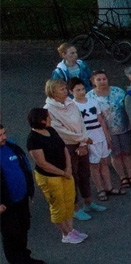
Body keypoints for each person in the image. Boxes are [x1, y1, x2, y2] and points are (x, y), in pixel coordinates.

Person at [26, 108, 86, 243]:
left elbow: (63, 148)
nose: (50, 119)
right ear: (41, 120)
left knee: (69, 201)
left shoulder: (51, 130)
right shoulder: (33, 140)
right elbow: (42, 163)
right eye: (48, 117)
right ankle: (65, 233)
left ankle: (71, 230)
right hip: (49, 177)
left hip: (65, 172)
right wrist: (63, 173)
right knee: (57, 205)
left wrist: (68, 167)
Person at [43, 78, 96, 219]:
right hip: (66, 146)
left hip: (81, 143)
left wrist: (83, 143)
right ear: (52, 92)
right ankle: (75, 208)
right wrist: (82, 139)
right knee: (72, 177)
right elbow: (60, 131)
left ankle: (88, 202)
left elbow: (81, 122)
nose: (66, 91)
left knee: (85, 173)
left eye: (65, 88)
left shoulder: (71, 102)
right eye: (62, 89)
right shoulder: (48, 110)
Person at [0, 123, 45, 264]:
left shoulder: (12, 147)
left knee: (23, 228)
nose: (4, 137)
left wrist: (29, 192)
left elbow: (25, 167)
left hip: (21, 198)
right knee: (11, 234)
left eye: (4, 133)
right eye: (0, 135)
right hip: (5, 204)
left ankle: (25, 257)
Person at [88, 69, 131, 191]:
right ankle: (122, 176)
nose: (102, 82)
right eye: (99, 79)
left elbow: (129, 106)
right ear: (93, 81)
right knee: (116, 154)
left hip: (124, 127)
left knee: (127, 152)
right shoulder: (90, 97)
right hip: (107, 131)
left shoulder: (118, 91)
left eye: (104, 79)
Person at [70, 78, 114, 203]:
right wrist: (82, 143)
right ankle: (100, 189)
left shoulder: (93, 101)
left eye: (82, 89)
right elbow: (77, 126)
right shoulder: (73, 106)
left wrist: (107, 137)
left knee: (104, 162)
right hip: (89, 138)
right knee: (94, 165)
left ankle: (109, 187)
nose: (81, 92)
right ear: (71, 91)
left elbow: (100, 120)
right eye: (77, 90)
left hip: (100, 135)